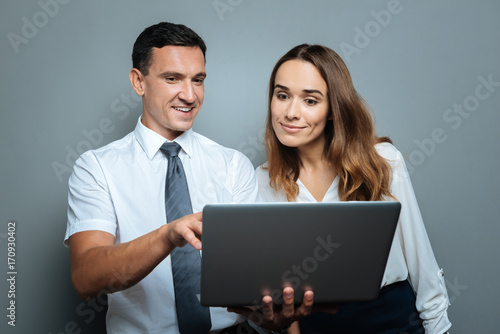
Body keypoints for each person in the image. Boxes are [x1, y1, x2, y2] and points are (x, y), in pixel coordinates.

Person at [64, 22, 312, 334]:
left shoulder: (233, 165)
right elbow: (86, 277)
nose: (190, 95)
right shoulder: (97, 168)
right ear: (138, 81)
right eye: (173, 79)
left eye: (198, 80)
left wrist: (273, 318)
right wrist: (167, 236)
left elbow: (250, 278)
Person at [256, 44, 452, 334]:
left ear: (334, 109)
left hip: (392, 320)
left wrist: (439, 328)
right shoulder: (261, 181)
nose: (290, 113)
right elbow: (281, 283)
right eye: (282, 95)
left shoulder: (383, 161)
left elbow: (421, 260)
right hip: (315, 323)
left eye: (310, 100)